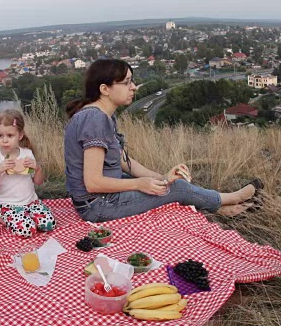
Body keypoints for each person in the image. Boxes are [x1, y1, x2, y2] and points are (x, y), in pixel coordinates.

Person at [63, 59, 261, 223]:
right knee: (178, 189)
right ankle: (234, 198)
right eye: (126, 83)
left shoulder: (103, 116)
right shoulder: (95, 119)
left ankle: (224, 209)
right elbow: (93, 182)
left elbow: (123, 161)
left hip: (101, 197)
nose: (133, 87)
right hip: (97, 205)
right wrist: (140, 184)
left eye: (132, 81)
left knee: (167, 186)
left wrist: (163, 178)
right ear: (105, 89)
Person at [0, 109, 55, 237]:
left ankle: (27, 218)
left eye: (10, 136)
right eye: (0, 136)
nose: (4, 140)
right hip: (9, 206)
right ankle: (3, 217)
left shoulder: (27, 154)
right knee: (28, 231)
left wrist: (37, 169)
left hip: (31, 202)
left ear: (20, 135)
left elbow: (38, 182)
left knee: (49, 224)